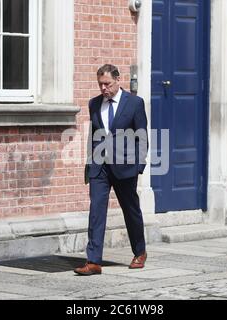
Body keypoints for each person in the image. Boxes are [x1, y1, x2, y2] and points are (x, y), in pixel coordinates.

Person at [74, 64, 149, 276]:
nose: (103, 88)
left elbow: (141, 137)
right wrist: (90, 164)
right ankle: (93, 261)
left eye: (107, 84)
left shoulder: (134, 103)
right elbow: (94, 135)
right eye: (100, 84)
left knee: (130, 210)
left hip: (126, 167)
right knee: (96, 211)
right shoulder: (94, 104)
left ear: (118, 79)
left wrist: (139, 166)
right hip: (100, 167)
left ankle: (139, 252)